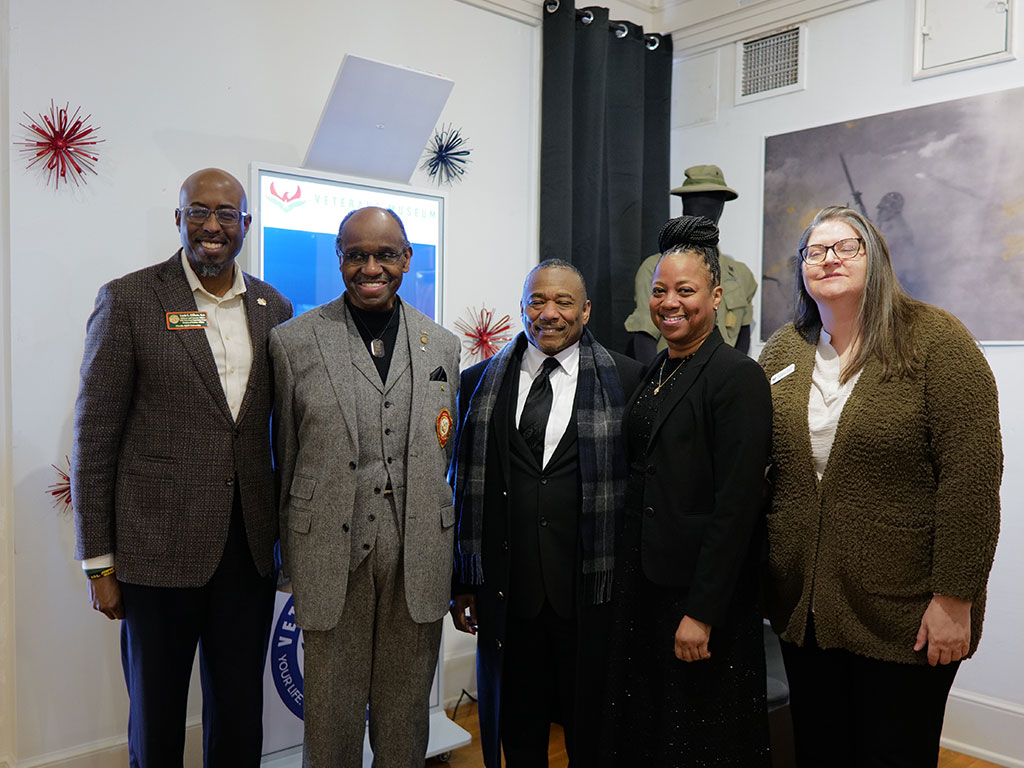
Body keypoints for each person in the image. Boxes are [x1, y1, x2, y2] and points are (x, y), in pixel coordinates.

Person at [759, 205, 1002, 767]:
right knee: (820, 752)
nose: (828, 259)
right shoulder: (783, 350)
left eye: (846, 247)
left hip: (906, 613)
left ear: (877, 258)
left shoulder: (935, 340)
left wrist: (954, 598)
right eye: (814, 251)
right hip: (806, 612)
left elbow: (972, 477)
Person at [70, 168, 293, 766]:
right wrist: (99, 564)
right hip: (155, 553)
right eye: (199, 211)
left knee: (241, 714)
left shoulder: (275, 307)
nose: (212, 225)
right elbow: (94, 438)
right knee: (158, 716)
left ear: (246, 224)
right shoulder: (131, 299)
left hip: (246, 551)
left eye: (226, 214)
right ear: (178, 218)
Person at [269, 206, 460, 767]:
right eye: (357, 255)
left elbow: (444, 449)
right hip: (329, 551)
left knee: (405, 721)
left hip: (417, 553)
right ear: (339, 259)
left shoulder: (442, 345)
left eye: (384, 254)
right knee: (330, 718)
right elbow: (284, 456)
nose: (370, 266)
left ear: (406, 259)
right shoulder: (294, 342)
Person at [449, 259, 643, 767]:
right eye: (538, 300)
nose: (549, 313)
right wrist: (461, 581)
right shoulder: (476, 384)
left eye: (563, 302)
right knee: (520, 732)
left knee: (593, 734)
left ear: (586, 310)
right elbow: (461, 489)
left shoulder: (628, 381)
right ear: (522, 306)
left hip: (589, 595)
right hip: (507, 595)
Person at [604, 216, 772, 767]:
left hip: (701, 599)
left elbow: (737, 507)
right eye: (659, 291)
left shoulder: (736, 377)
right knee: (652, 734)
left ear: (716, 296)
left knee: (702, 740)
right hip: (646, 589)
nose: (669, 303)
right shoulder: (657, 371)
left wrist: (701, 611)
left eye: (685, 291)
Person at [625, 164, 758, 361]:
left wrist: (732, 375)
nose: (703, 209)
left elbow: (743, 333)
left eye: (713, 201)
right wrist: (654, 383)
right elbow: (645, 333)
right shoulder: (655, 268)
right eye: (694, 200)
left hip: (721, 378)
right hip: (671, 373)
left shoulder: (740, 274)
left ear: (722, 206)